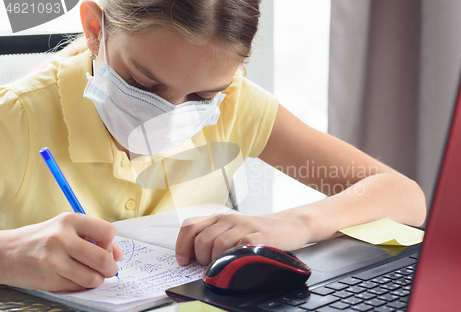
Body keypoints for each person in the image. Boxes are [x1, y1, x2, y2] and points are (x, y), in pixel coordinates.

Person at [0, 0, 426, 292]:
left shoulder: (236, 103)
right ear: (95, 29)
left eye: (203, 97)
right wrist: (8, 254)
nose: (168, 114)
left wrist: (294, 224)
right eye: (143, 83)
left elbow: (404, 196)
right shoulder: (16, 118)